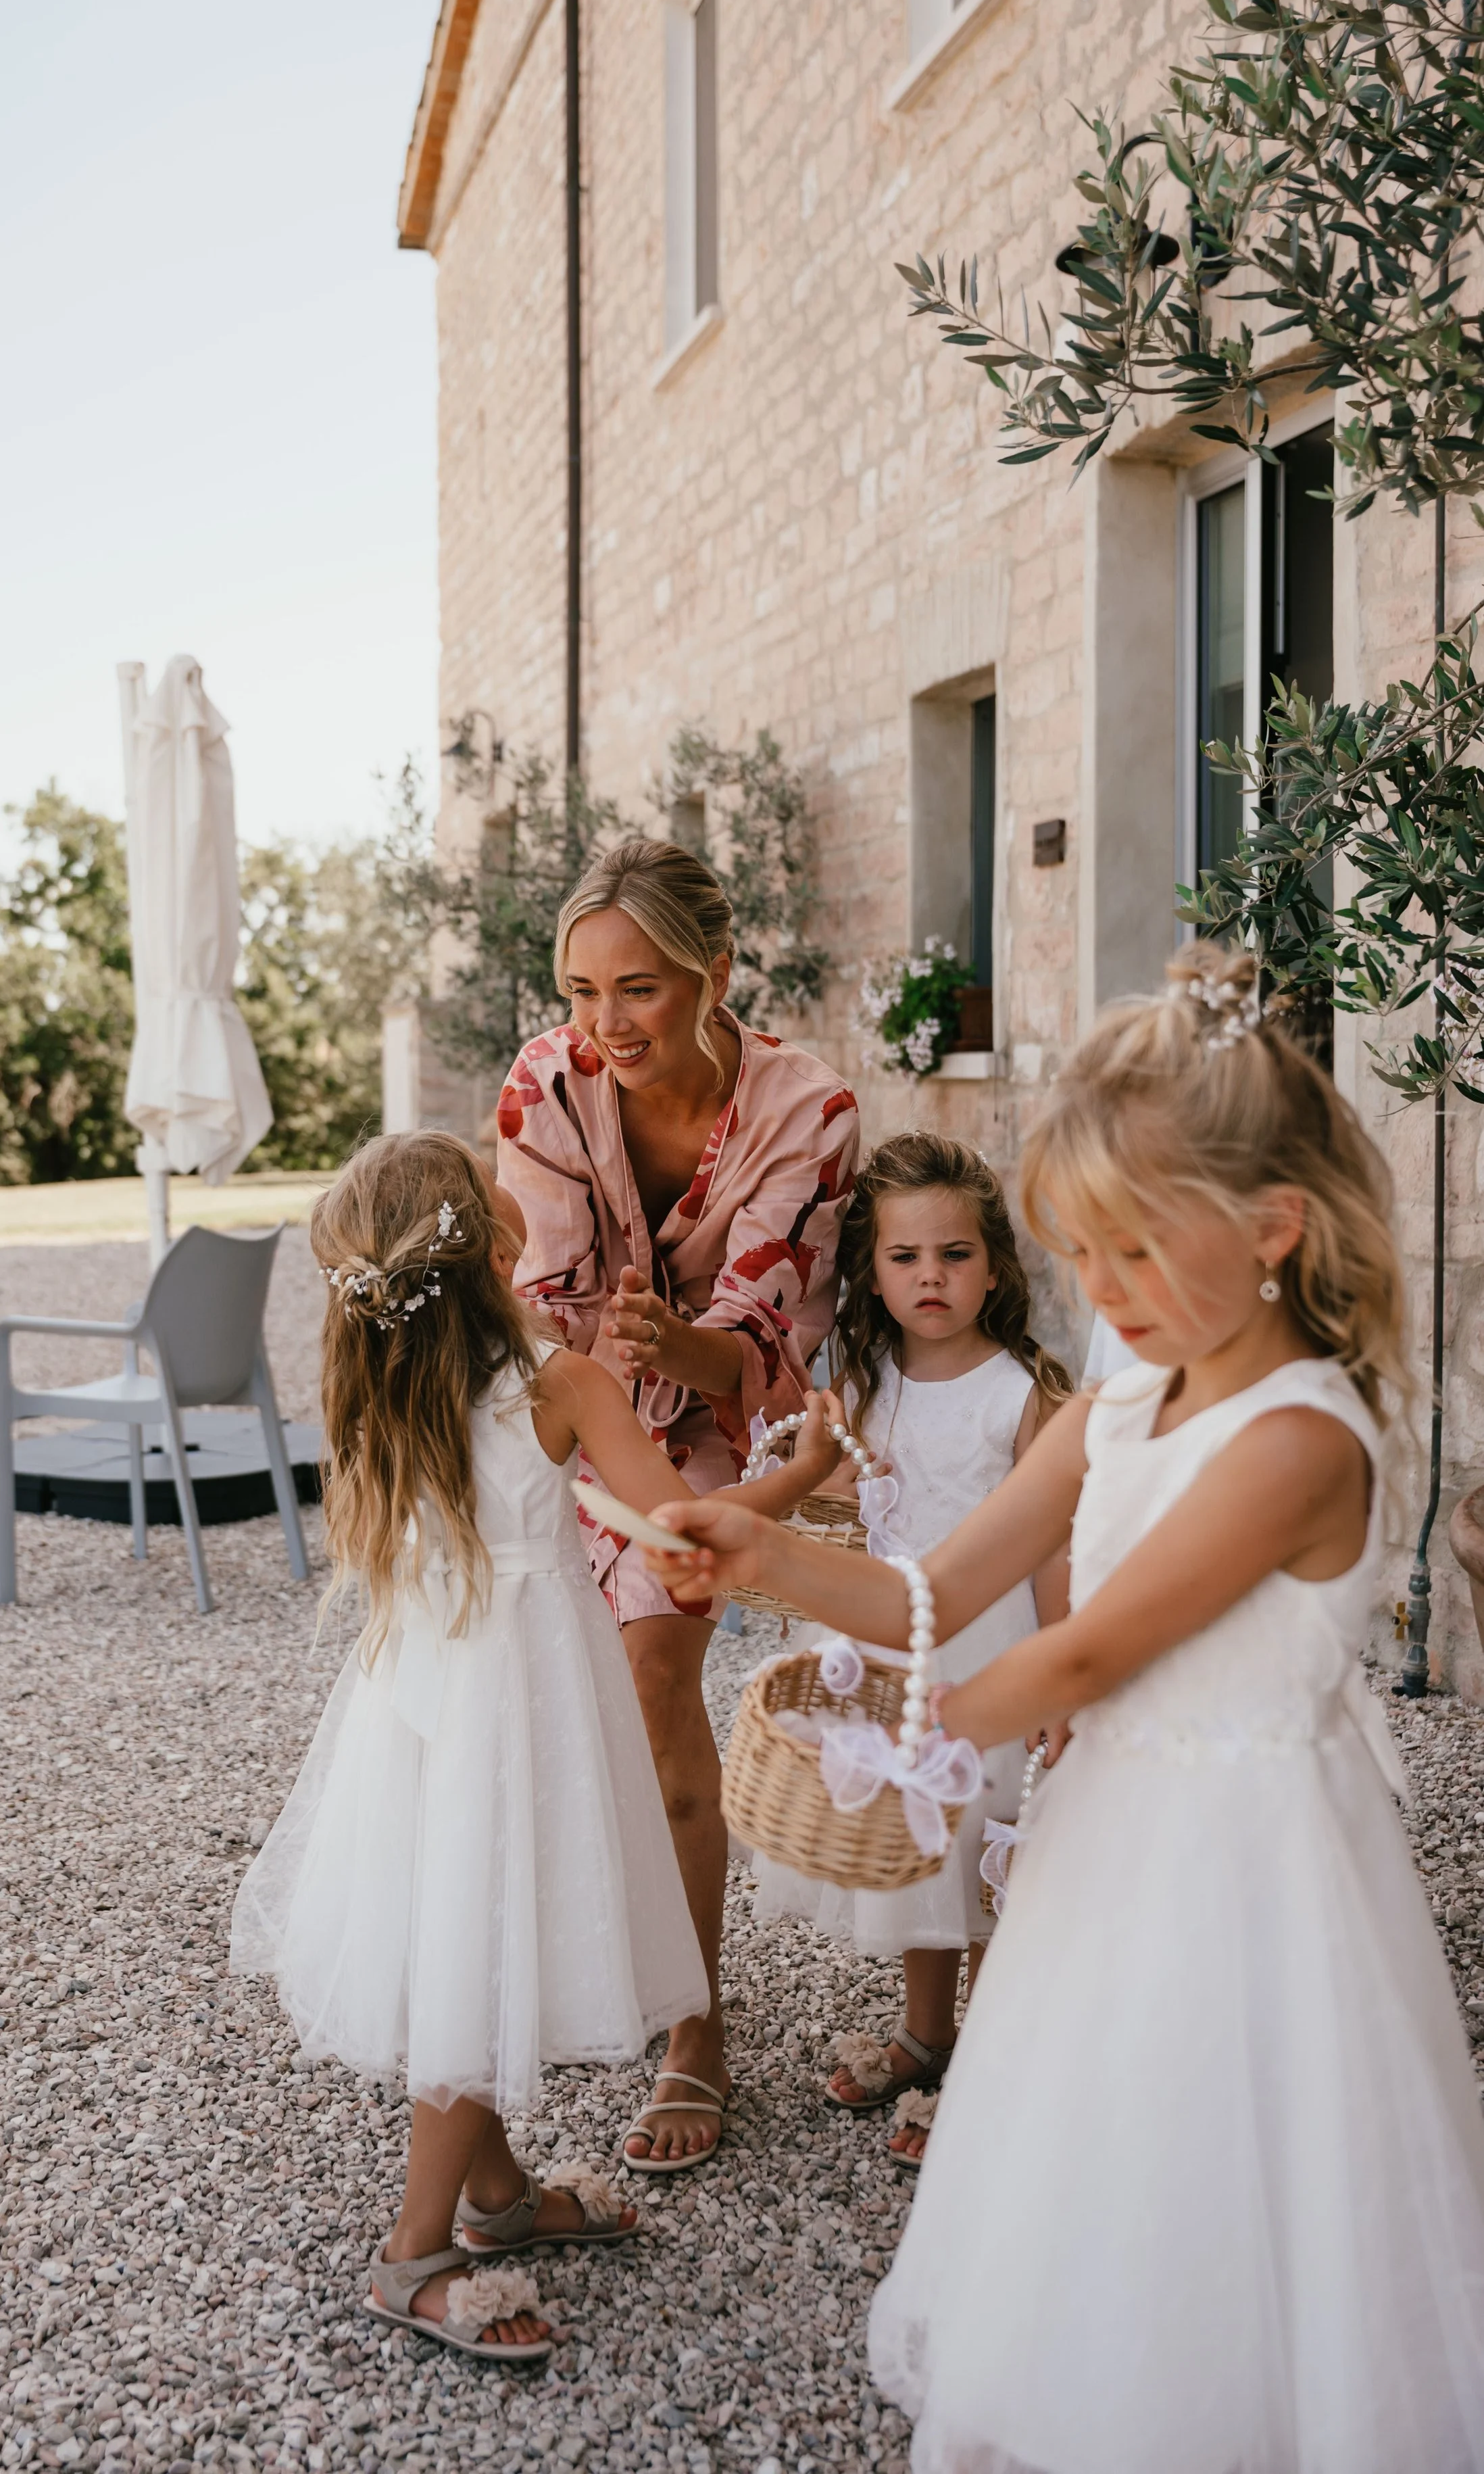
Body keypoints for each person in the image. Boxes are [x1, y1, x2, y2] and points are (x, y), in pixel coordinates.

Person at [647, 946, 1484, 2470]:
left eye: (1130, 1254)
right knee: (1098, 2137)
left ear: (1272, 1228)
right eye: (1078, 1255)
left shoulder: (1300, 1439)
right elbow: (939, 1582)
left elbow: (1089, 1655)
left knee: (1235, 2143)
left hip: (1251, 1855)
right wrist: (760, 1548)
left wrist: (908, 1734)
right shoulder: (1111, 1405)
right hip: (1107, 1828)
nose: (1093, 1295)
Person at [230, 1130, 847, 2359]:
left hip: (420, 1694)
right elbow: (676, 1531)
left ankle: (499, 2202)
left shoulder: (382, 1374)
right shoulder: (560, 1382)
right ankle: (413, 2257)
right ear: (493, 1238)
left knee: (461, 1925)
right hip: (521, 1695)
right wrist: (802, 1475)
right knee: (481, 1936)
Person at [497, 838, 858, 2170]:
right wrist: (601, 1362)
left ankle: (693, 2023)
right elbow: (538, 1304)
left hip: (709, 1418)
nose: (602, 1024)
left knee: (652, 1679)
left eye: (636, 989)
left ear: (714, 972)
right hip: (563, 1407)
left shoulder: (806, 1111)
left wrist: (676, 1344)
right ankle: (575, 1966)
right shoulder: (542, 1082)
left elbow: (759, 1342)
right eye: (582, 991)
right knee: (532, 1688)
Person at [751, 1133, 1071, 2166]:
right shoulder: (865, 1381)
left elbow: (1053, 1543)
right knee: (914, 1848)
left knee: (982, 1855)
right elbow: (855, 1508)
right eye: (905, 1257)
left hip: (991, 1654)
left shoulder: (1023, 1393)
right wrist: (832, 1465)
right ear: (872, 1271)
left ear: (995, 1264)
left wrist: (1063, 1668)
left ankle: (988, 2054)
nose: (931, 1276)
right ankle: (924, 2034)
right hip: (892, 1655)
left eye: (956, 1253)